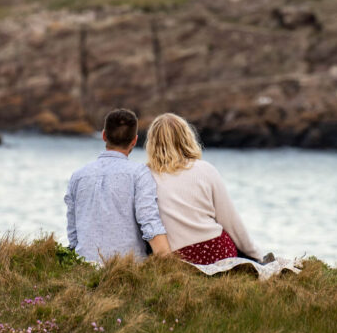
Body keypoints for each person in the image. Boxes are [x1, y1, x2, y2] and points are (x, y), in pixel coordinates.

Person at [144, 112, 264, 266]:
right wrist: (256, 255)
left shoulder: (144, 176)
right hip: (218, 250)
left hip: (181, 258)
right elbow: (230, 221)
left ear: (152, 143)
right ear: (186, 137)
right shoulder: (206, 169)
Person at [65, 108, 170, 264]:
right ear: (134, 141)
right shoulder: (139, 173)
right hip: (128, 267)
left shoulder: (78, 176)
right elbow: (149, 222)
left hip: (84, 265)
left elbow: (73, 232)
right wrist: (168, 260)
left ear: (104, 136)